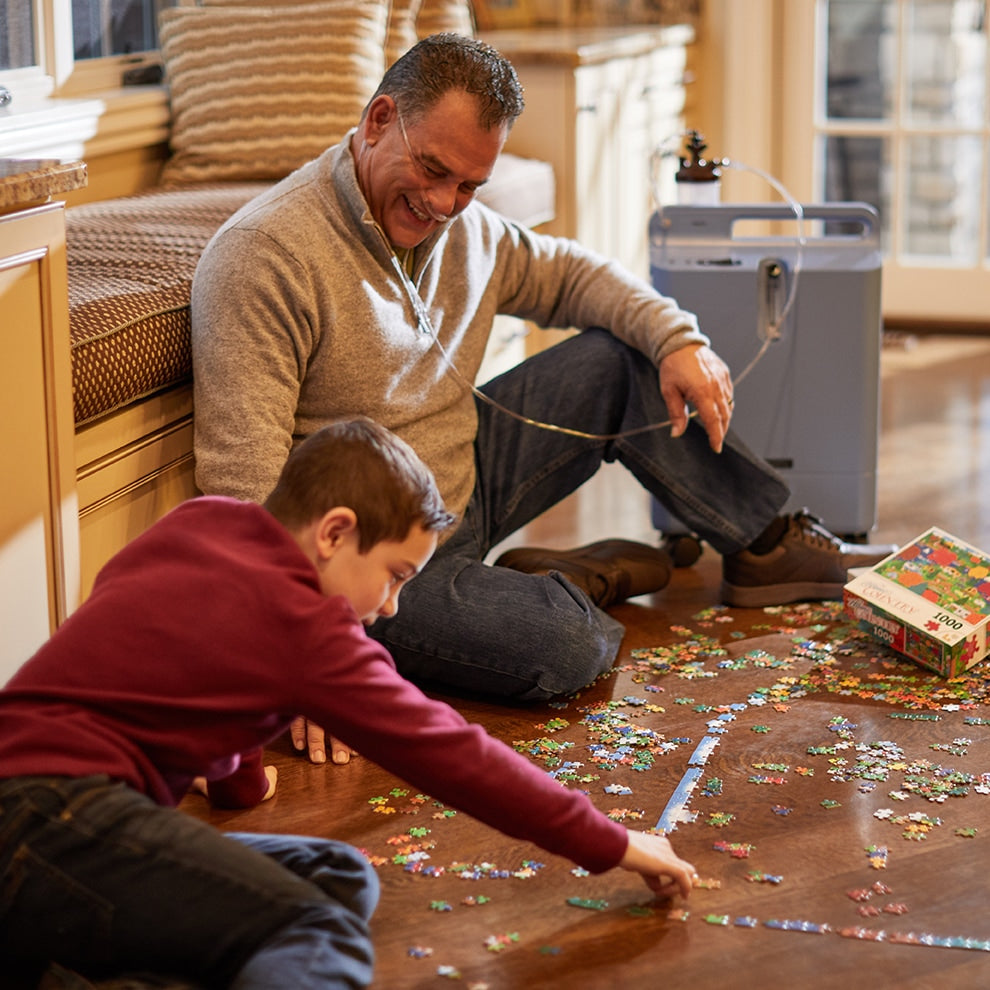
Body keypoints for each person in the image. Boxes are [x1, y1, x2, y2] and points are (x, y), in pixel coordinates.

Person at [191, 33, 892, 735]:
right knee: (560, 645)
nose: (442, 203)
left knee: (621, 355)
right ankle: (576, 583)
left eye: (468, 185)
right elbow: (240, 494)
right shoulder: (264, 256)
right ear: (378, 121)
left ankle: (762, 542)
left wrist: (679, 338)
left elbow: (578, 275)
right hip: (375, 561)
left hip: (467, 481)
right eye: (432, 169)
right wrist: (303, 652)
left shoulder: (463, 227)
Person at [0, 417, 695, 990]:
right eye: (394, 576)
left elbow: (187, 663)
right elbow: (451, 753)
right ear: (333, 533)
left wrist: (239, 778)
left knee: (337, 873)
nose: (391, 606)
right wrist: (614, 842)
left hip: (34, 810)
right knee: (317, 926)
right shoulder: (308, 626)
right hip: (51, 813)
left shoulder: (202, 522)